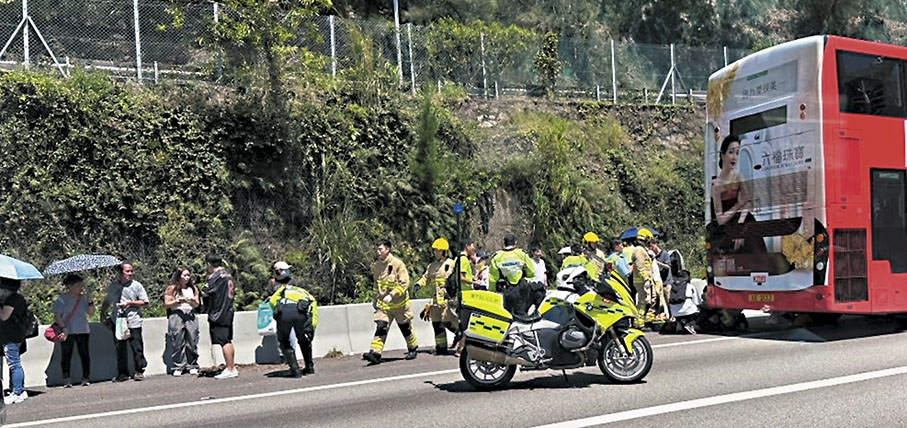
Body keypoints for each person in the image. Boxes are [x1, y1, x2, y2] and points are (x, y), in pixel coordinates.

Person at [363, 239, 418, 365]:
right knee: (381, 327)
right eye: (377, 249)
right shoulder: (377, 266)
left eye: (380, 249)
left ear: (388, 249)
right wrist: (375, 298)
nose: (378, 252)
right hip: (384, 306)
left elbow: (404, 284)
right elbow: (376, 284)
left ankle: (413, 348)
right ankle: (375, 353)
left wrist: (392, 295)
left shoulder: (398, 265)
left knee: (405, 328)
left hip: (400, 305)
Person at [101, 262, 149, 382]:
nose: (130, 273)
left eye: (131, 271)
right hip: (118, 321)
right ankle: (122, 373)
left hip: (133, 320)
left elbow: (144, 301)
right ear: (120, 273)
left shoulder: (137, 285)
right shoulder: (114, 286)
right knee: (120, 348)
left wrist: (130, 303)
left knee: (137, 347)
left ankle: (139, 371)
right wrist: (103, 315)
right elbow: (107, 301)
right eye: (127, 271)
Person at [268, 262, 318, 377]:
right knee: (304, 340)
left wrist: (277, 312)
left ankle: (295, 370)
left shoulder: (283, 288)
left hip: (285, 313)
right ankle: (309, 367)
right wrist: (311, 327)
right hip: (301, 312)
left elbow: (272, 301)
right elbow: (313, 306)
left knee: (284, 341)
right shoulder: (302, 292)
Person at [51, 274, 94, 387]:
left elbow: (90, 313)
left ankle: (86, 377)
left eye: (81, 285)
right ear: (70, 286)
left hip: (83, 329)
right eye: (78, 285)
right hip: (67, 331)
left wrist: (90, 301)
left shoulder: (83, 298)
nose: (80, 287)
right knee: (66, 354)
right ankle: (66, 378)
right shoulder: (62, 299)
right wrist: (63, 328)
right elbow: (57, 316)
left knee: (84, 354)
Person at [416, 238, 457, 355]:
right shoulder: (432, 266)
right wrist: (419, 284)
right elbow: (426, 277)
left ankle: (460, 336)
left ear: (444, 252)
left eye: (439, 251)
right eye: (435, 250)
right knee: (437, 324)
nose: (436, 253)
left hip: (447, 299)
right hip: (435, 301)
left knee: (448, 321)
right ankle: (441, 347)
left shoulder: (451, 264)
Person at [202, 254, 238, 379]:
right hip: (228, 310)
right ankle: (231, 366)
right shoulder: (228, 275)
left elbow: (206, 292)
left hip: (219, 312)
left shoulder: (215, 277)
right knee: (227, 340)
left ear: (209, 264)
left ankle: (230, 368)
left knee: (223, 341)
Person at [164, 267, 200, 377]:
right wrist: (178, 301)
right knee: (177, 340)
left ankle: (192, 365)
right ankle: (178, 366)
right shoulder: (172, 288)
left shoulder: (193, 288)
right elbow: (167, 304)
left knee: (192, 340)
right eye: (184, 275)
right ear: (179, 276)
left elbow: (197, 304)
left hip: (190, 313)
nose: (187, 278)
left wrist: (192, 301)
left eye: (188, 275)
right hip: (177, 314)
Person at [488, 235, 535, 317]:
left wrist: (492, 291)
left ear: (504, 243)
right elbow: (531, 271)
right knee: (521, 314)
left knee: (507, 314)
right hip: (521, 288)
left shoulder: (497, 257)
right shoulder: (522, 254)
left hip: (506, 289)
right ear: (515, 243)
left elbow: (493, 277)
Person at [0, 278, 28, 404]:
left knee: (14, 364)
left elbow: (4, 316)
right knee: (16, 364)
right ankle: (20, 390)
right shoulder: (19, 298)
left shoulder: (12, 300)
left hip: (11, 336)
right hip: (17, 335)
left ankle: (17, 392)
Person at [631, 229, 656, 328]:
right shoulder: (639, 250)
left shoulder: (642, 250)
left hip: (646, 279)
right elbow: (640, 266)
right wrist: (645, 279)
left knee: (650, 300)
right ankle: (638, 322)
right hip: (642, 280)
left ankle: (646, 321)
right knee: (643, 301)